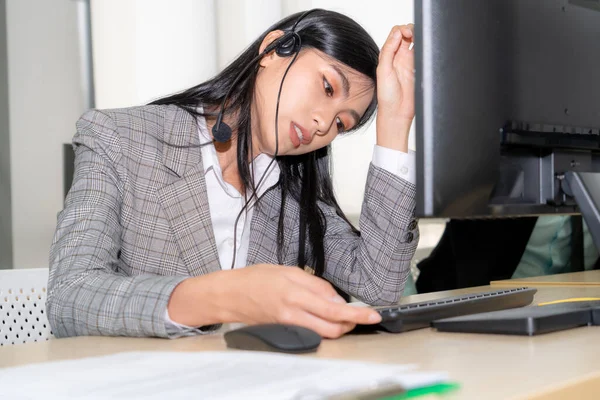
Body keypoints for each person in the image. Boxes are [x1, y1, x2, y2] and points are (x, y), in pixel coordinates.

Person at [47, 9, 419, 340]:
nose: (324, 123)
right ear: (275, 50)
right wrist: (224, 297)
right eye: (326, 87)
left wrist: (395, 124)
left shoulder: (293, 193)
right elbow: (70, 296)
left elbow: (379, 283)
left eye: (342, 122)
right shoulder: (119, 137)